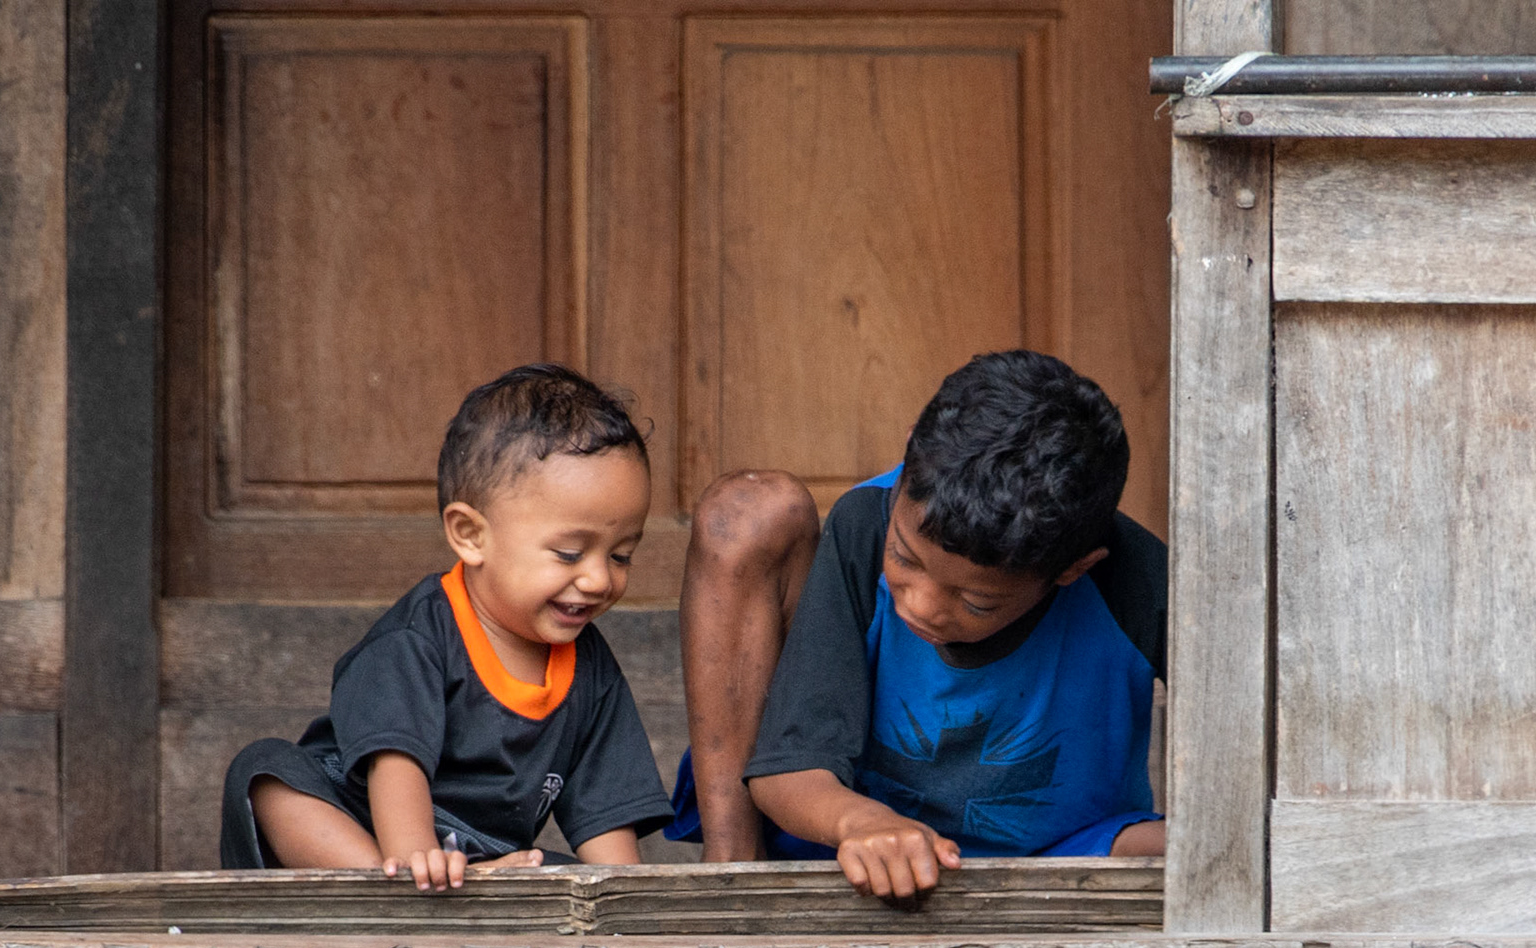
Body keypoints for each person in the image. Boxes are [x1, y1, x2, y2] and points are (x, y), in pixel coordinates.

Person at [669, 349, 1166, 900]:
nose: (922, 607)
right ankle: (731, 878)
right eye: (905, 559)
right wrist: (859, 822)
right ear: (908, 455)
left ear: (1073, 569)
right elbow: (787, 771)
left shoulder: (1138, 577)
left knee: (1187, 848)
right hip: (850, 843)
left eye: (977, 601)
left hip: (1062, 855)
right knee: (746, 508)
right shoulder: (865, 525)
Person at [220, 364, 674, 889]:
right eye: (569, 553)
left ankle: (455, 890)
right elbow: (395, 764)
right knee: (266, 773)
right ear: (470, 535)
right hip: (363, 830)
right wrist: (416, 857)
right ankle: (394, 892)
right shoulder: (418, 636)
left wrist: (626, 900)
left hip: (482, 863)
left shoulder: (590, 671)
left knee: (566, 877)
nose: (598, 579)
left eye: (621, 556)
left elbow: (607, 824)